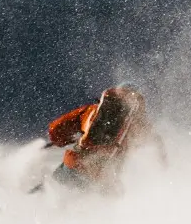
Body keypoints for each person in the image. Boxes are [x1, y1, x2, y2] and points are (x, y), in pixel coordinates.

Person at [31, 83, 166, 195]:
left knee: (51, 192)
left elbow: (56, 129)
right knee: (100, 210)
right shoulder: (137, 126)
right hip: (103, 179)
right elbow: (156, 142)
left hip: (75, 164)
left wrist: (61, 140)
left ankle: (29, 205)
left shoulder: (91, 111)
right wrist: (164, 163)